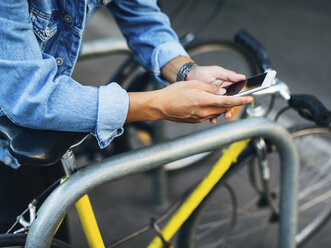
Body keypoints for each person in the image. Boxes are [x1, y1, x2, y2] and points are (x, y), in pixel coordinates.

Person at [0, 0, 252, 237]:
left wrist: (188, 72)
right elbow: (30, 94)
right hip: (15, 124)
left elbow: (142, 16)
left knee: (50, 231)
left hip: (33, 131)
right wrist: (159, 105)